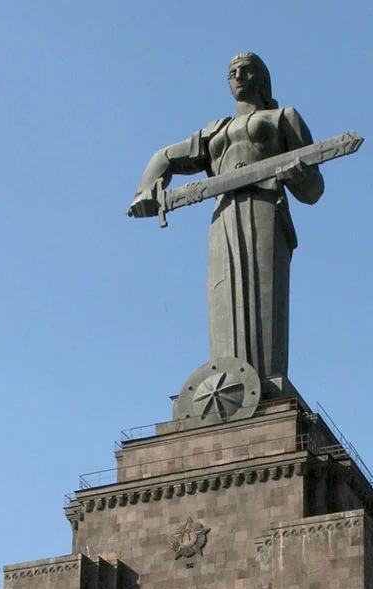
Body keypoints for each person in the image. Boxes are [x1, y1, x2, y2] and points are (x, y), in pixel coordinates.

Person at [128, 52, 324, 384]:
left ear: (261, 79)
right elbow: (164, 157)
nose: (237, 76)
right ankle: (229, 379)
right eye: (231, 72)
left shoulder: (283, 118)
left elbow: (314, 190)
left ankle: (265, 381)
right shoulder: (214, 131)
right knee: (223, 293)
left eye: (246, 70)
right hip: (224, 215)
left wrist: (295, 175)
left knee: (264, 290)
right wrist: (146, 189)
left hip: (265, 208)